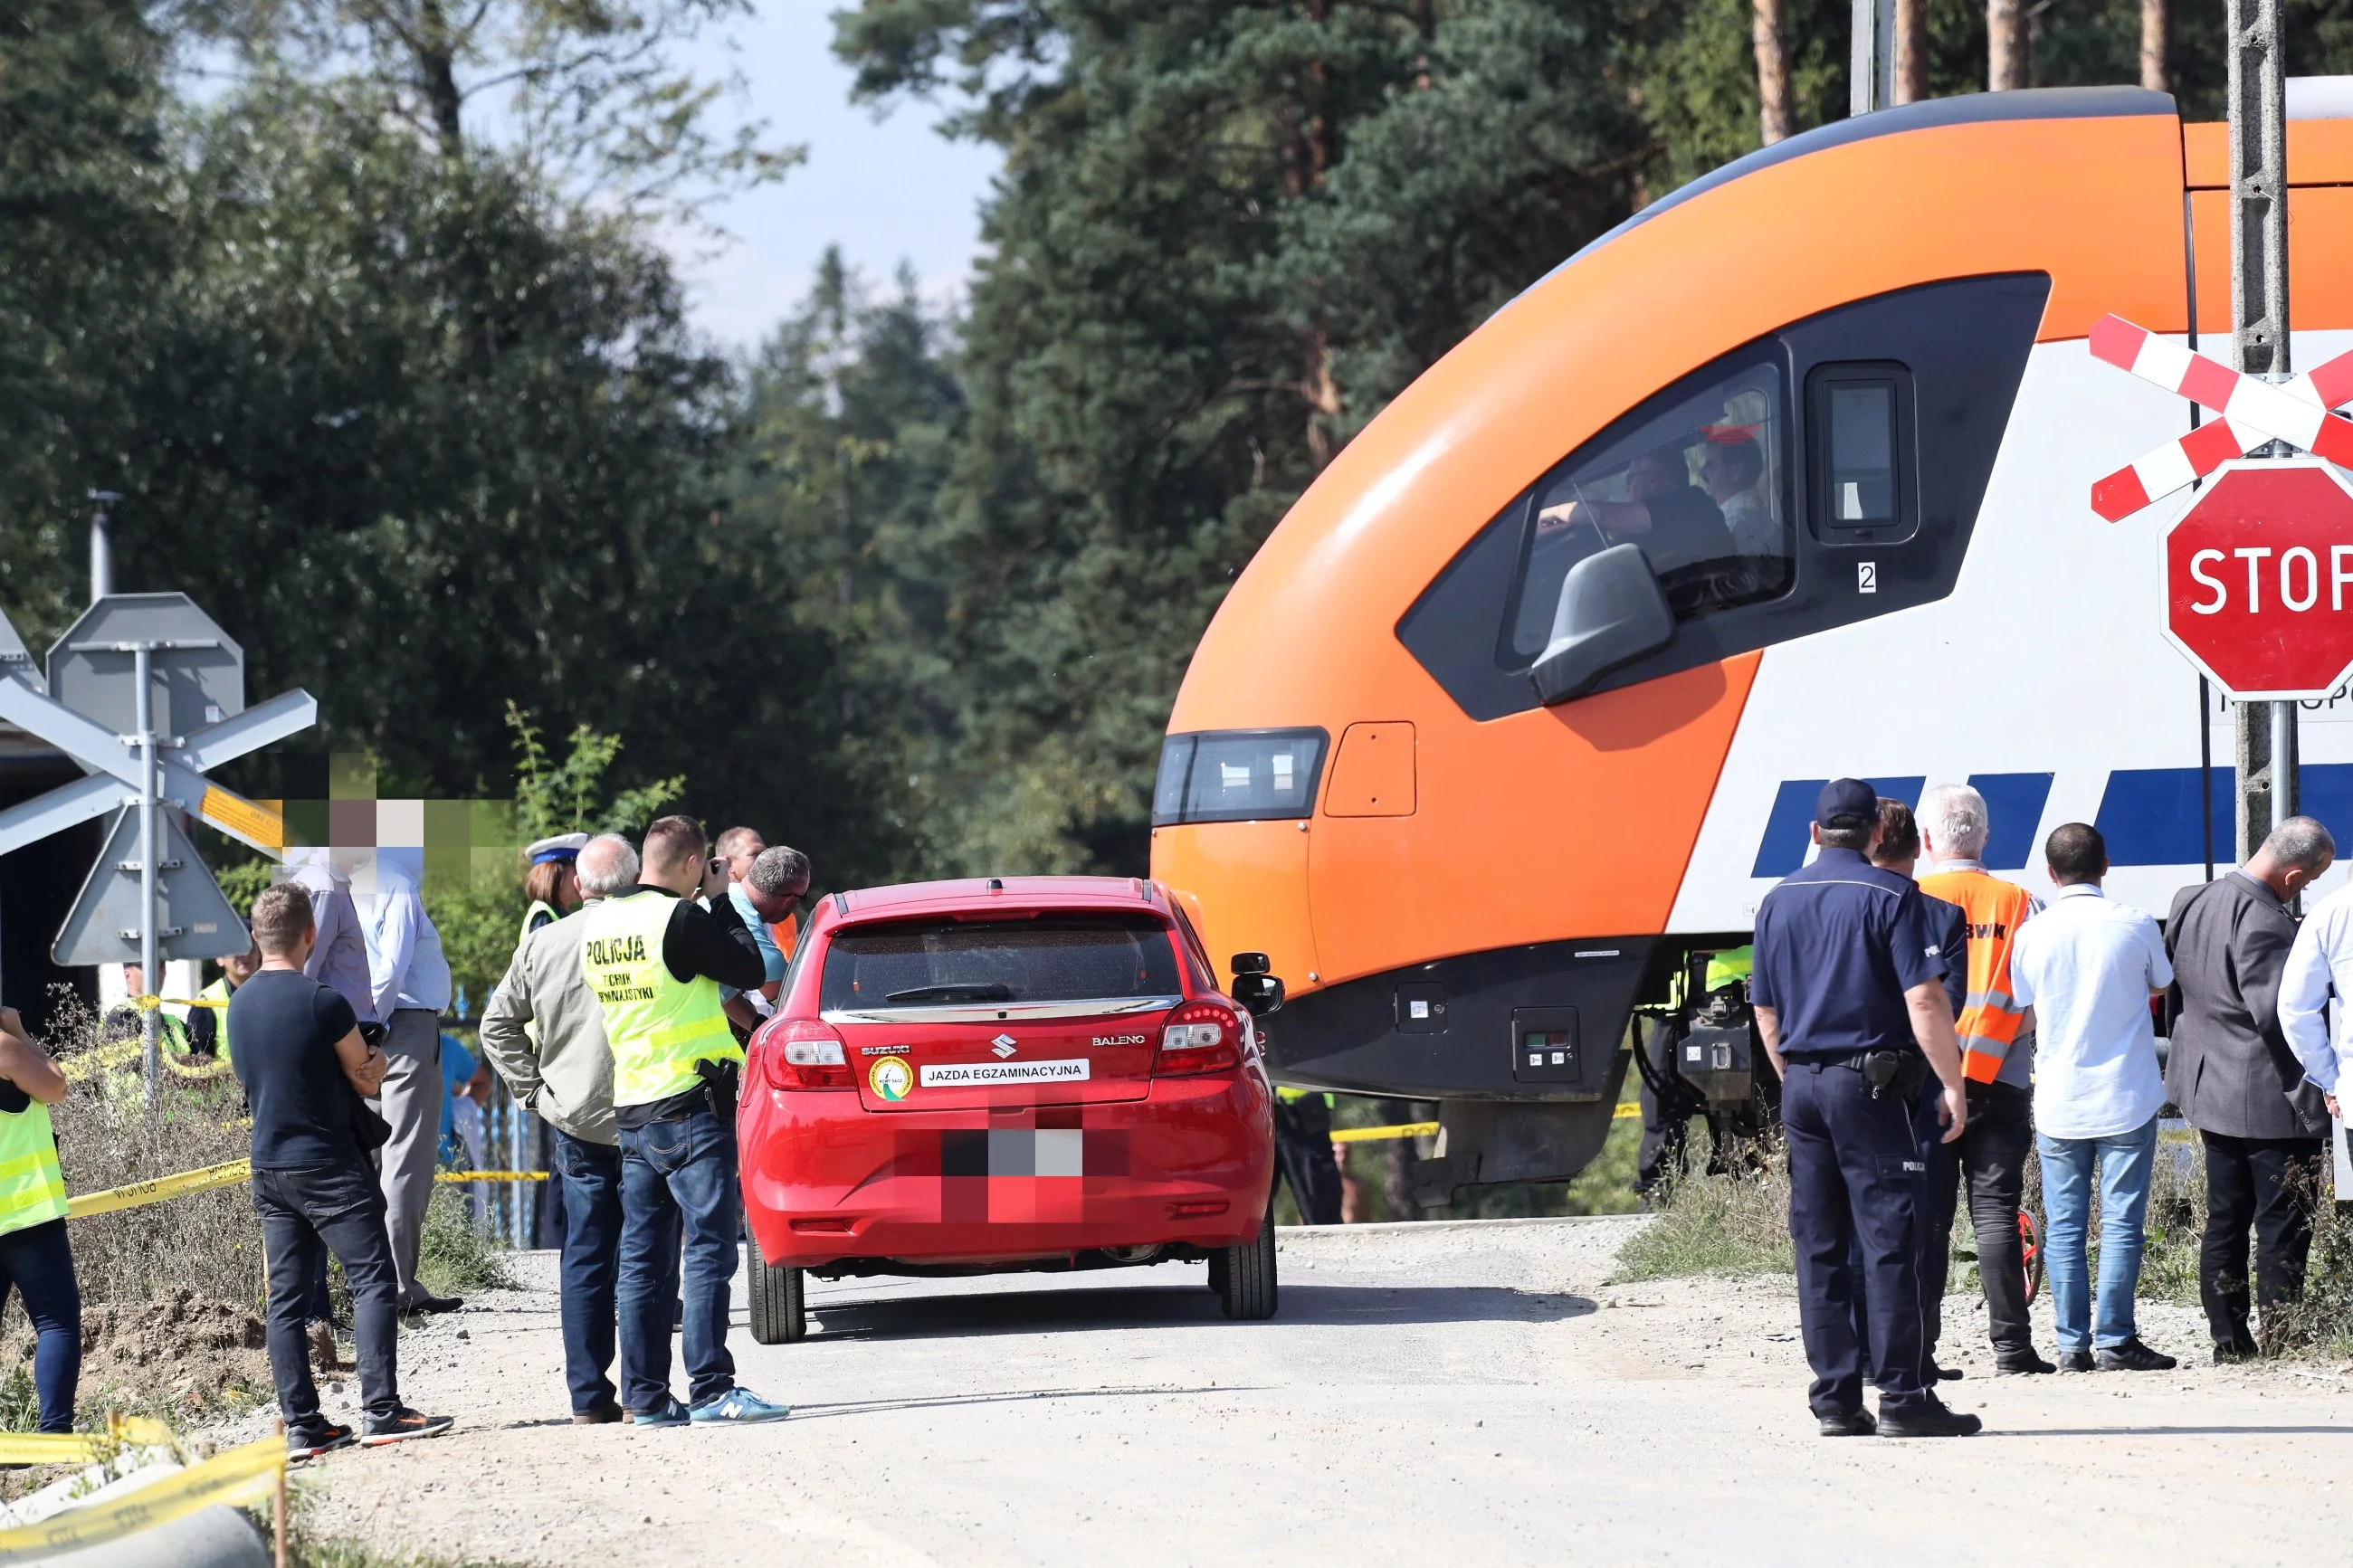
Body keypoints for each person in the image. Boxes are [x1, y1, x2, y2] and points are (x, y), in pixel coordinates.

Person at [1749, 778, 1977, 1439]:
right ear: (1877, 834)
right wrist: (1952, 1082)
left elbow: (1764, 1008)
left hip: (1803, 1084)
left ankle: (1836, 1400)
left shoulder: (1776, 900)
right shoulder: (1893, 895)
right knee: (1888, 1237)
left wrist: (1795, 1074)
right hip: (1871, 1087)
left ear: (1817, 832)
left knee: (1819, 1242)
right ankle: (1904, 1396)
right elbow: (1926, 1001)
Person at [230, 883, 452, 1457]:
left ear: (256, 937)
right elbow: (366, 1077)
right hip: (328, 1164)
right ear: (311, 936)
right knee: (373, 1280)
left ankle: (303, 1426)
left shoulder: (238, 1003)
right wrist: (372, 1060)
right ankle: (382, 1410)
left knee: (286, 1297)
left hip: (269, 1164)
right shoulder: (323, 1002)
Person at [584, 815, 786, 1424]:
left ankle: (644, 1396)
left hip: (634, 1108)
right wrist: (721, 899)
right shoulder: (680, 917)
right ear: (695, 862)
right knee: (708, 1251)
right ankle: (711, 1387)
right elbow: (753, 969)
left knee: (643, 1258)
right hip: (692, 1107)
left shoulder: (601, 923)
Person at [2166, 815, 2338, 1361]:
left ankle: (2228, 1338)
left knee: (2225, 1216)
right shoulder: (2268, 923)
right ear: (2291, 874)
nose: (2306, 887)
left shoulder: (2191, 898)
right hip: (2269, 1099)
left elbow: (2180, 993)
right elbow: (2281, 1018)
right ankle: (2282, 1334)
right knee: (2282, 1221)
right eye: (2309, 879)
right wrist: (2323, 1084)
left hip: (2208, 1087)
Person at [2007, 822, 2176, 1373]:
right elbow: (2161, 983)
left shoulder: (2033, 932)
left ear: (2051, 874)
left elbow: (2020, 999)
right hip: (2126, 1095)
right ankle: (2116, 1340)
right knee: (2123, 1223)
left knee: (2065, 1225)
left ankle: (2071, 1345)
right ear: (2106, 865)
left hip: (2059, 1098)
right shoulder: (2132, 923)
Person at [481, 833, 635, 1422]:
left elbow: (496, 1027)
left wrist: (535, 1094)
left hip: (576, 1116)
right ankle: (648, 1389)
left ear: (582, 881)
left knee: (586, 1254)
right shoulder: (653, 932)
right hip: (648, 1113)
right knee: (645, 1253)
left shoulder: (544, 941)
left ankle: (590, 1397)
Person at [1914, 782, 2052, 1375]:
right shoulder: (2022, 902)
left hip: (1924, 1084)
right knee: (1996, 1211)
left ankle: (1918, 1352)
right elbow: (2039, 993)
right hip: (2001, 1078)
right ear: (1985, 836)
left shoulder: (1907, 896)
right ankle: (2013, 1350)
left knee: (1929, 1216)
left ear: (1926, 839)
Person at [1862, 798, 1968, 1380]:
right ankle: (1918, 1354)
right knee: (1927, 1220)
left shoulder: (1834, 906)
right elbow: (1948, 1004)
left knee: (1856, 1217)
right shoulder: (1942, 917)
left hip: (1851, 1083)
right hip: (1922, 1084)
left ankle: (1858, 1351)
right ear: (1921, 845)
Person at [354, 848, 460, 1316]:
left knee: (366, 1157)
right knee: (404, 1160)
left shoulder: (335, 885)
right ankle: (397, 1285)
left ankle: (364, 1281)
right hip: (401, 1025)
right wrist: (373, 1023)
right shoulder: (392, 880)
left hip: (354, 1028)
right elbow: (394, 963)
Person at [0, 1005, 78, 1434]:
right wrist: (20, 1030)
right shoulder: (4, 1048)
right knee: (56, 1321)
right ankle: (53, 1434)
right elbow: (56, 1086)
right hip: (24, 1211)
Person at [1536, 443, 1737, 576]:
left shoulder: (1687, 505)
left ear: (1653, 480)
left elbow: (1597, 513)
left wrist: (1545, 519)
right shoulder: (1685, 511)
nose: (1627, 486)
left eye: (1630, 478)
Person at [280, 847, 378, 1028]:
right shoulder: (324, 888)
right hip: (336, 1036)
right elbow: (300, 974)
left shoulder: (328, 885)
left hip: (342, 1033)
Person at [1272, 1088, 1343, 1225]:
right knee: (1247, 1206)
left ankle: (1326, 1243)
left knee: (1320, 1204)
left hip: (1300, 1113)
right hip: (1254, 1111)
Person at [1700, 433, 1775, 560]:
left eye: (1710, 465)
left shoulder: (1737, 521)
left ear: (1736, 472)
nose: (1702, 473)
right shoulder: (1748, 512)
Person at [189, 936, 262, 1062]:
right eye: (236, 949)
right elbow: (198, 1066)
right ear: (220, 958)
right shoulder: (205, 1003)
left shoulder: (271, 995)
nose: (245, 955)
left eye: (250, 947)